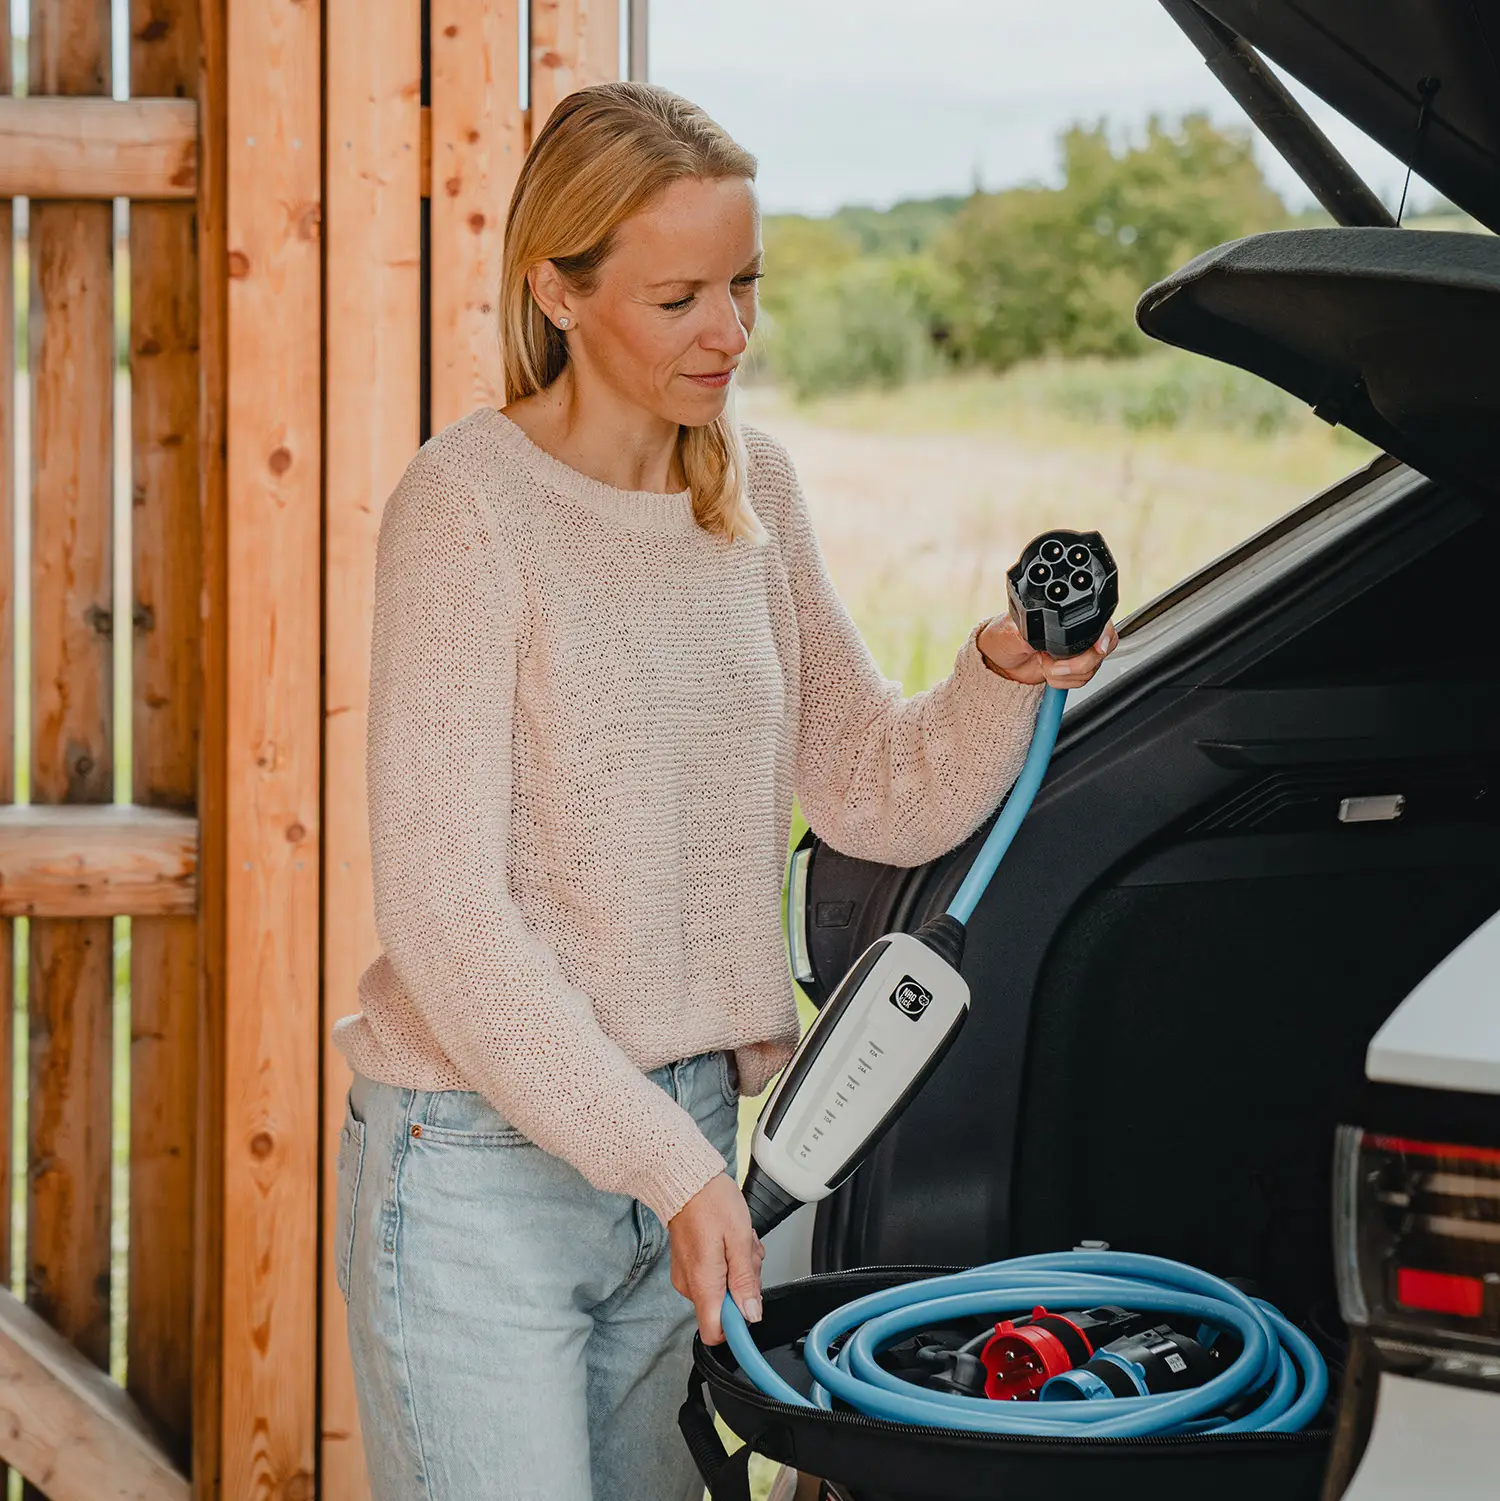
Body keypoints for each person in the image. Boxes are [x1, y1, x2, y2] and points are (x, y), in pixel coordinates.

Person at [330, 81, 1116, 1501]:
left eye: (744, 284)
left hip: (685, 1142)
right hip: (482, 1172)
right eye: (681, 295)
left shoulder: (749, 493)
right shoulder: (470, 508)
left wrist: (998, 673)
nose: (731, 333)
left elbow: (872, 784)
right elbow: (447, 919)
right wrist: (671, 1171)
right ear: (556, 293)